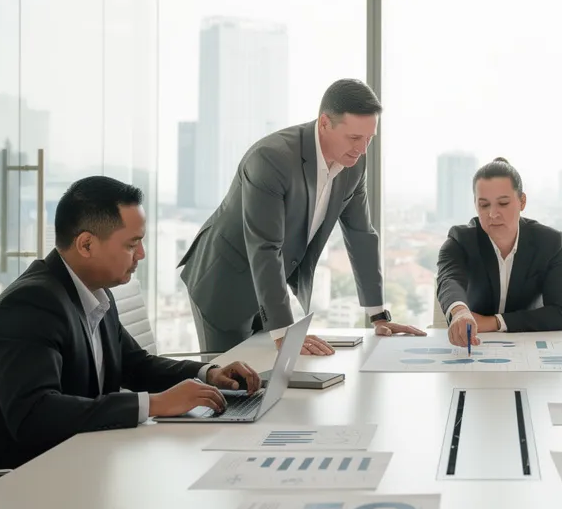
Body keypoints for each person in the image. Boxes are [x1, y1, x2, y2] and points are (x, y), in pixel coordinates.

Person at [0, 177, 262, 509]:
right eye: (132, 244)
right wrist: (156, 404)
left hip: (65, 469)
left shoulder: (95, 293)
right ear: (86, 245)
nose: (141, 254)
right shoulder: (30, 304)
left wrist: (208, 373)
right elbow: (34, 414)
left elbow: (135, 363)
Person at [179, 79, 424, 355]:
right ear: (324, 123)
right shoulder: (271, 159)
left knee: (270, 379)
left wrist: (378, 315)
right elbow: (265, 247)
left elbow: (361, 235)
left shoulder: (354, 163)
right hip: (224, 284)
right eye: (355, 138)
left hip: (269, 289)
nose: (363, 149)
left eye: (370, 138)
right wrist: (285, 332)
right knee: (233, 385)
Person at [437, 158, 562, 347]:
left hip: (528, 348)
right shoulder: (460, 240)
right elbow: (448, 280)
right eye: (484, 205)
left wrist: (494, 322)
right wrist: (460, 311)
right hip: (475, 345)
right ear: (475, 204)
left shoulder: (549, 242)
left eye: (503, 203)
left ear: (522, 201)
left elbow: (560, 313)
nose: (493, 214)